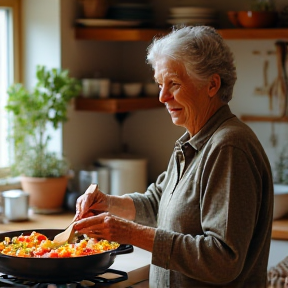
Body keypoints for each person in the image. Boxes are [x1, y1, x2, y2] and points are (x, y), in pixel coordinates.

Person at [73, 26, 274, 287]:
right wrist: (107, 203)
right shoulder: (193, 141)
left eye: (174, 84)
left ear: (212, 84)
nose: (162, 97)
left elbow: (223, 259)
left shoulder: (229, 146)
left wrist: (130, 233)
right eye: (160, 85)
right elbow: (157, 203)